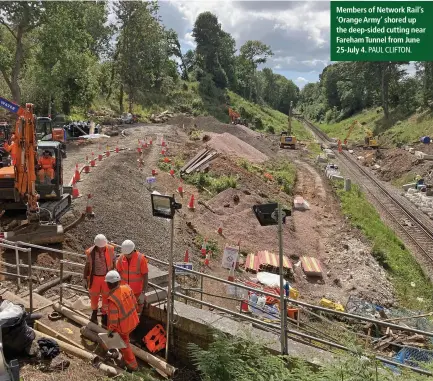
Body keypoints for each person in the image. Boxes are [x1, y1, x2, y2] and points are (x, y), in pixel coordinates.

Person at [105, 270, 139, 372]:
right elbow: (135, 304)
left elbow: (114, 322)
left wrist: (109, 331)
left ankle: (133, 365)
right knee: (126, 341)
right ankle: (124, 359)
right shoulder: (127, 288)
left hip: (124, 327)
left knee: (124, 345)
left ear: (108, 284)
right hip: (133, 320)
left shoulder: (113, 300)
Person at [83, 234, 115, 326]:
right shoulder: (90, 252)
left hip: (107, 278)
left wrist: (114, 276)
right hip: (95, 278)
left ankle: (104, 316)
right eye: (99, 247)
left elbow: (113, 262)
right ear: (95, 245)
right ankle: (94, 313)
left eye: (102, 247)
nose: (101, 249)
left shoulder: (110, 249)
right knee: (94, 297)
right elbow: (87, 265)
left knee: (106, 297)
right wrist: (84, 278)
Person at [116, 240, 149, 314]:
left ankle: (136, 325)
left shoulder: (141, 259)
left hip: (137, 293)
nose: (126, 256)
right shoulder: (121, 258)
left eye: (128, 254)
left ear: (133, 251)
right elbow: (118, 274)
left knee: (136, 312)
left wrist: (143, 293)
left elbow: (145, 276)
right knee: (125, 313)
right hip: (124, 292)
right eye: (125, 254)